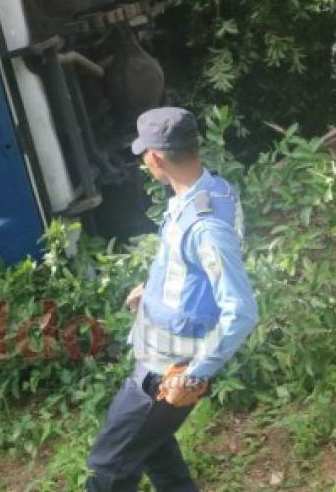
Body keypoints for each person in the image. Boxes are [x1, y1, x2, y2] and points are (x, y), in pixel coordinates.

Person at [86, 107, 259, 492]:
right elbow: (193, 271)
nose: (145, 163)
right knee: (154, 448)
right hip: (163, 357)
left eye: (144, 155)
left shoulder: (206, 225)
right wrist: (153, 293)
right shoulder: (211, 190)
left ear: (156, 157)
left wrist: (196, 374)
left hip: (166, 371)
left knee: (108, 468)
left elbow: (242, 310)